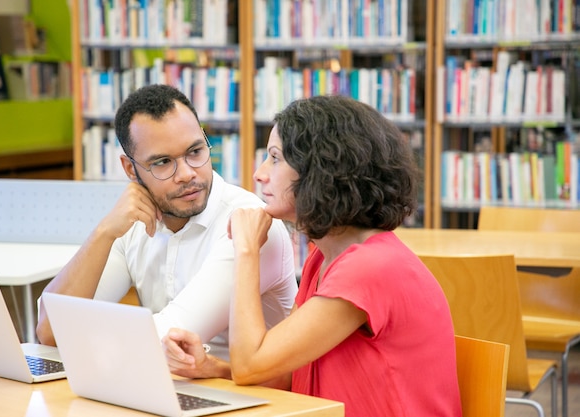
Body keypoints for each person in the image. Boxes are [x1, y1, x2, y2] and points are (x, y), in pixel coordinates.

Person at [164, 95, 462, 416]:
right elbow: (289, 372)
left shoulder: (371, 267)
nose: (260, 175)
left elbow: (251, 364)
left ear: (322, 170)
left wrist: (247, 250)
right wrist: (213, 367)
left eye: (275, 158)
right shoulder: (323, 258)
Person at [36, 84, 299, 378]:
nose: (187, 173)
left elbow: (167, 337)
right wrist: (104, 232)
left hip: (258, 403)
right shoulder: (130, 222)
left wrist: (82, 332)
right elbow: (49, 331)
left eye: (195, 152)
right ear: (130, 170)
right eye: (162, 162)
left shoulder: (249, 224)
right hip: (172, 392)